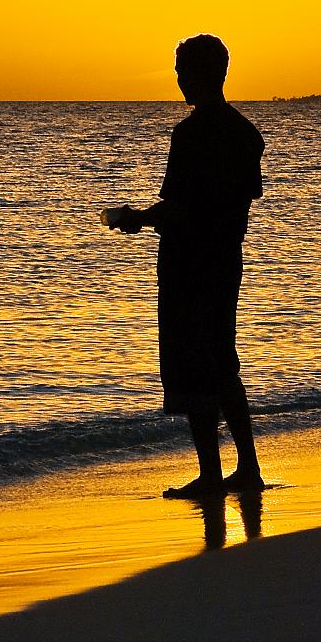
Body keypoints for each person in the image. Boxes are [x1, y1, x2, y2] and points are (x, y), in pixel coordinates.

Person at [107, 34, 265, 497]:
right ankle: (247, 469)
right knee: (222, 362)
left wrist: (137, 218)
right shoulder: (245, 132)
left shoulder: (192, 134)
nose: (179, 81)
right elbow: (244, 195)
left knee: (196, 364)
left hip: (190, 261)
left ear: (200, 75)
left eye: (182, 72)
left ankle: (212, 477)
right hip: (225, 258)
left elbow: (178, 206)